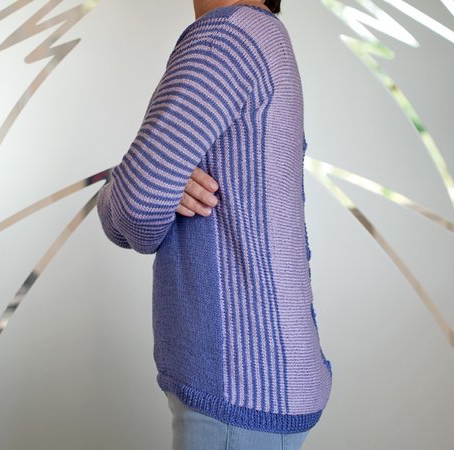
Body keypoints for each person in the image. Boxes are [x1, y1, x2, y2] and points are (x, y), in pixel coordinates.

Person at [96, 0, 333, 448]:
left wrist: (119, 191)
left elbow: (134, 205)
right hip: (269, 375)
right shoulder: (264, 36)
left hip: (238, 384)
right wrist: (162, 182)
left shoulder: (226, 38)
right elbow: (146, 194)